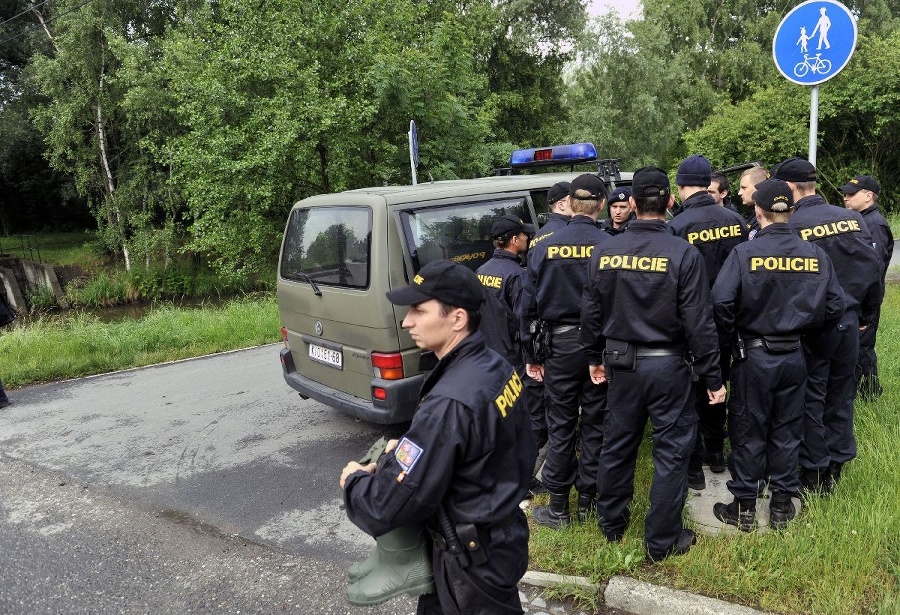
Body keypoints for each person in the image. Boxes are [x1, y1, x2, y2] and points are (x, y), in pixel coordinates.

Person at [340, 259, 536, 614]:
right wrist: (419, 449)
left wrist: (354, 482)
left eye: (418, 309)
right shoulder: (493, 365)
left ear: (457, 318)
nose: (406, 321)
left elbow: (388, 503)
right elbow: (495, 445)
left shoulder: (450, 401)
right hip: (500, 536)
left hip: (471, 561)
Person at [581, 166, 726, 561]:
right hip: (669, 368)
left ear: (631, 204)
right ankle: (662, 540)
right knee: (672, 453)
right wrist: (713, 376)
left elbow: (591, 313)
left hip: (622, 365)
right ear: (668, 202)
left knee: (618, 444)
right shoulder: (683, 253)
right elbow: (699, 322)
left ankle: (611, 525)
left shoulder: (604, 251)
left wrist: (594, 357)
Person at [710, 179, 846, 531]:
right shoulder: (814, 253)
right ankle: (782, 507)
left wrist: (732, 338)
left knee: (747, 430)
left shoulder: (744, 253)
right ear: (790, 212)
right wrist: (810, 339)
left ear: (758, 212)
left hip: (753, 356)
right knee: (787, 431)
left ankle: (743, 508)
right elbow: (835, 306)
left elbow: (721, 303)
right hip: (795, 356)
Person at [774, 158, 882, 494]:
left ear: (790, 188)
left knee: (810, 398)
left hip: (810, 327)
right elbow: (873, 269)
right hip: (848, 322)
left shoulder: (791, 226)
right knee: (841, 395)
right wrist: (865, 314)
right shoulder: (850, 218)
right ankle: (836, 467)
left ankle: (812, 471)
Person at [521, 173, 610, 528]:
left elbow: (526, 308)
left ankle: (559, 506)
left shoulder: (542, 246)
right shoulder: (610, 245)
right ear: (602, 205)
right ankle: (588, 500)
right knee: (596, 422)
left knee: (560, 424)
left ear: (569, 204)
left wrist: (531, 356)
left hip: (558, 347)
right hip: (600, 350)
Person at [669, 154, 748, 490]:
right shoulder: (737, 221)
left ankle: (693, 465)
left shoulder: (676, 227)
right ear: (708, 185)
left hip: (689, 323)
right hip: (728, 322)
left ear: (681, 185)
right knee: (718, 386)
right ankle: (716, 453)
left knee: (688, 393)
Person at [476, 214, 546, 492]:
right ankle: (524, 478)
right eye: (525, 236)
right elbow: (524, 322)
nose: (528, 239)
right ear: (515, 240)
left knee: (496, 418)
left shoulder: (481, 271)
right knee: (527, 420)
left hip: (488, 356)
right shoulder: (517, 275)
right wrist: (534, 360)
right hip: (515, 360)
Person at [839, 175, 894, 401]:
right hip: (858, 298)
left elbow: (873, 268)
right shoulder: (859, 221)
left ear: (868, 196)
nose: (846, 198)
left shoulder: (875, 225)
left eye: (852, 194)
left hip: (866, 299)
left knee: (862, 348)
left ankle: (870, 394)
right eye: (845, 193)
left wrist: (866, 306)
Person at [530, 181, 572, 247]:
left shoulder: (538, 236)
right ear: (561, 205)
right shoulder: (570, 231)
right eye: (572, 200)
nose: (577, 203)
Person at [737, 166, 769, 239]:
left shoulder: (766, 216)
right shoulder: (752, 213)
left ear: (759, 187)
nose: (739, 193)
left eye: (744, 188)